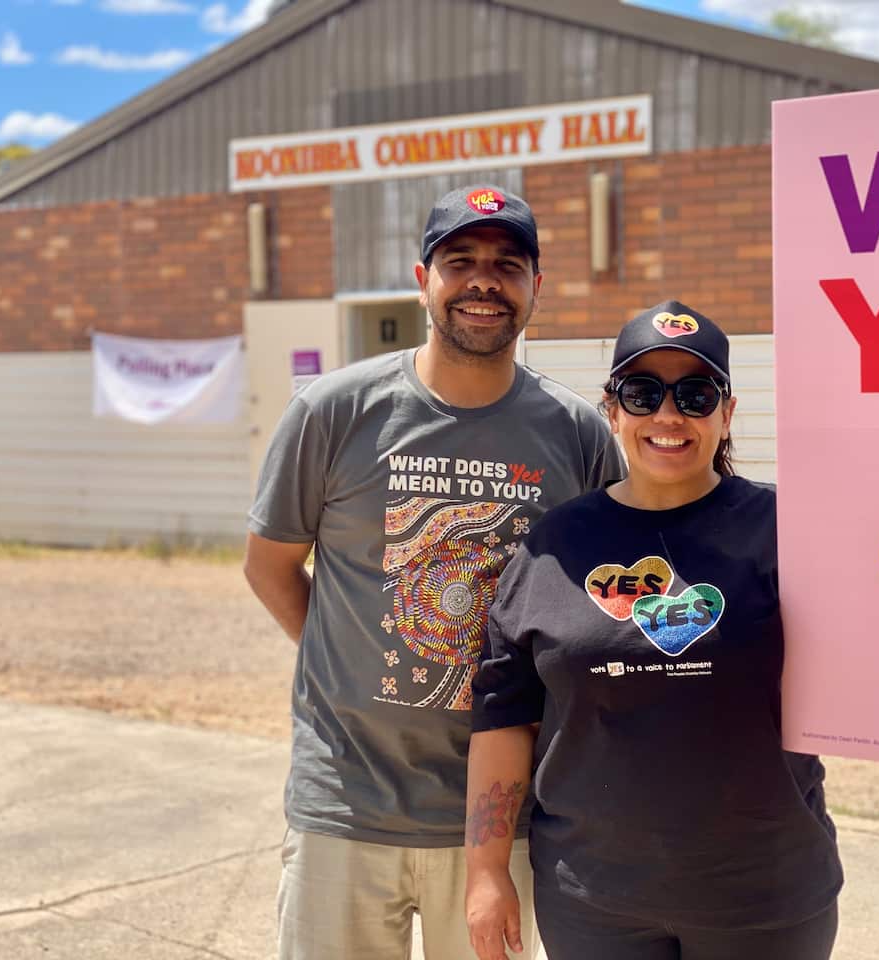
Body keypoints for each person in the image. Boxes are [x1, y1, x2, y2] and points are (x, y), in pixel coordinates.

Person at [244, 183, 625, 960]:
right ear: (423, 281)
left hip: (502, 818)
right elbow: (271, 565)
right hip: (345, 804)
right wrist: (344, 657)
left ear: (535, 289)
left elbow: (596, 603)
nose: (484, 281)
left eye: (507, 265)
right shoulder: (335, 411)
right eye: (460, 262)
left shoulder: (577, 433)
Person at [465, 301, 843, 960]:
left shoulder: (794, 530)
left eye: (695, 394)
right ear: (612, 410)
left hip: (766, 897)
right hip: (594, 904)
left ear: (726, 413)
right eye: (643, 394)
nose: (668, 415)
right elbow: (504, 718)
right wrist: (485, 870)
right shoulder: (555, 544)